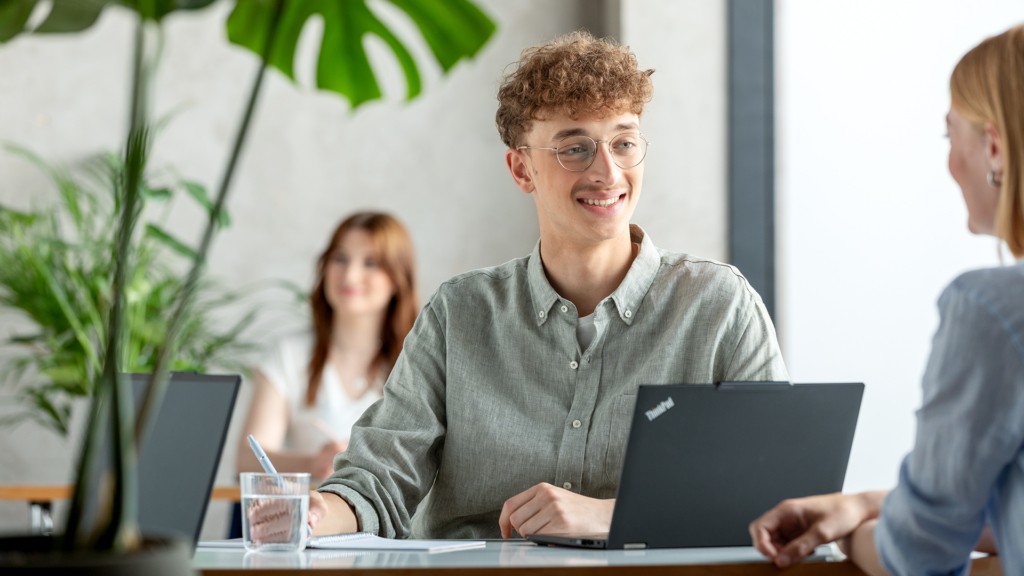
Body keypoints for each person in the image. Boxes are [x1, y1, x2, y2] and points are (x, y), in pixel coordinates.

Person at [299, 31, 788, 540]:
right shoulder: (459, 313)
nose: (607, 171)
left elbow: (773, 492)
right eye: (575, 148)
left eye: (623, 142)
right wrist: (314, 513)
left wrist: (607, 515)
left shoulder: (718, 305)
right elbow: (377, 481)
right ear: (521, 168)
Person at [748, 24, 1024, 576]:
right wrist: (866, 503)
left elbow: (921, 559)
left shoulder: (991, 311)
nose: (950, 163)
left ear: (994, 145)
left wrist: (861, 536)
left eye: (952, 137)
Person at [237, 211, 419, 480]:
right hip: (311, 518)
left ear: (398, 278)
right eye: (340, 258)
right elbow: (246, 459)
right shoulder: (288, 353)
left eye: (371, 263)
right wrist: (315, 463)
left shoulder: (418, 362)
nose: (350, 275)